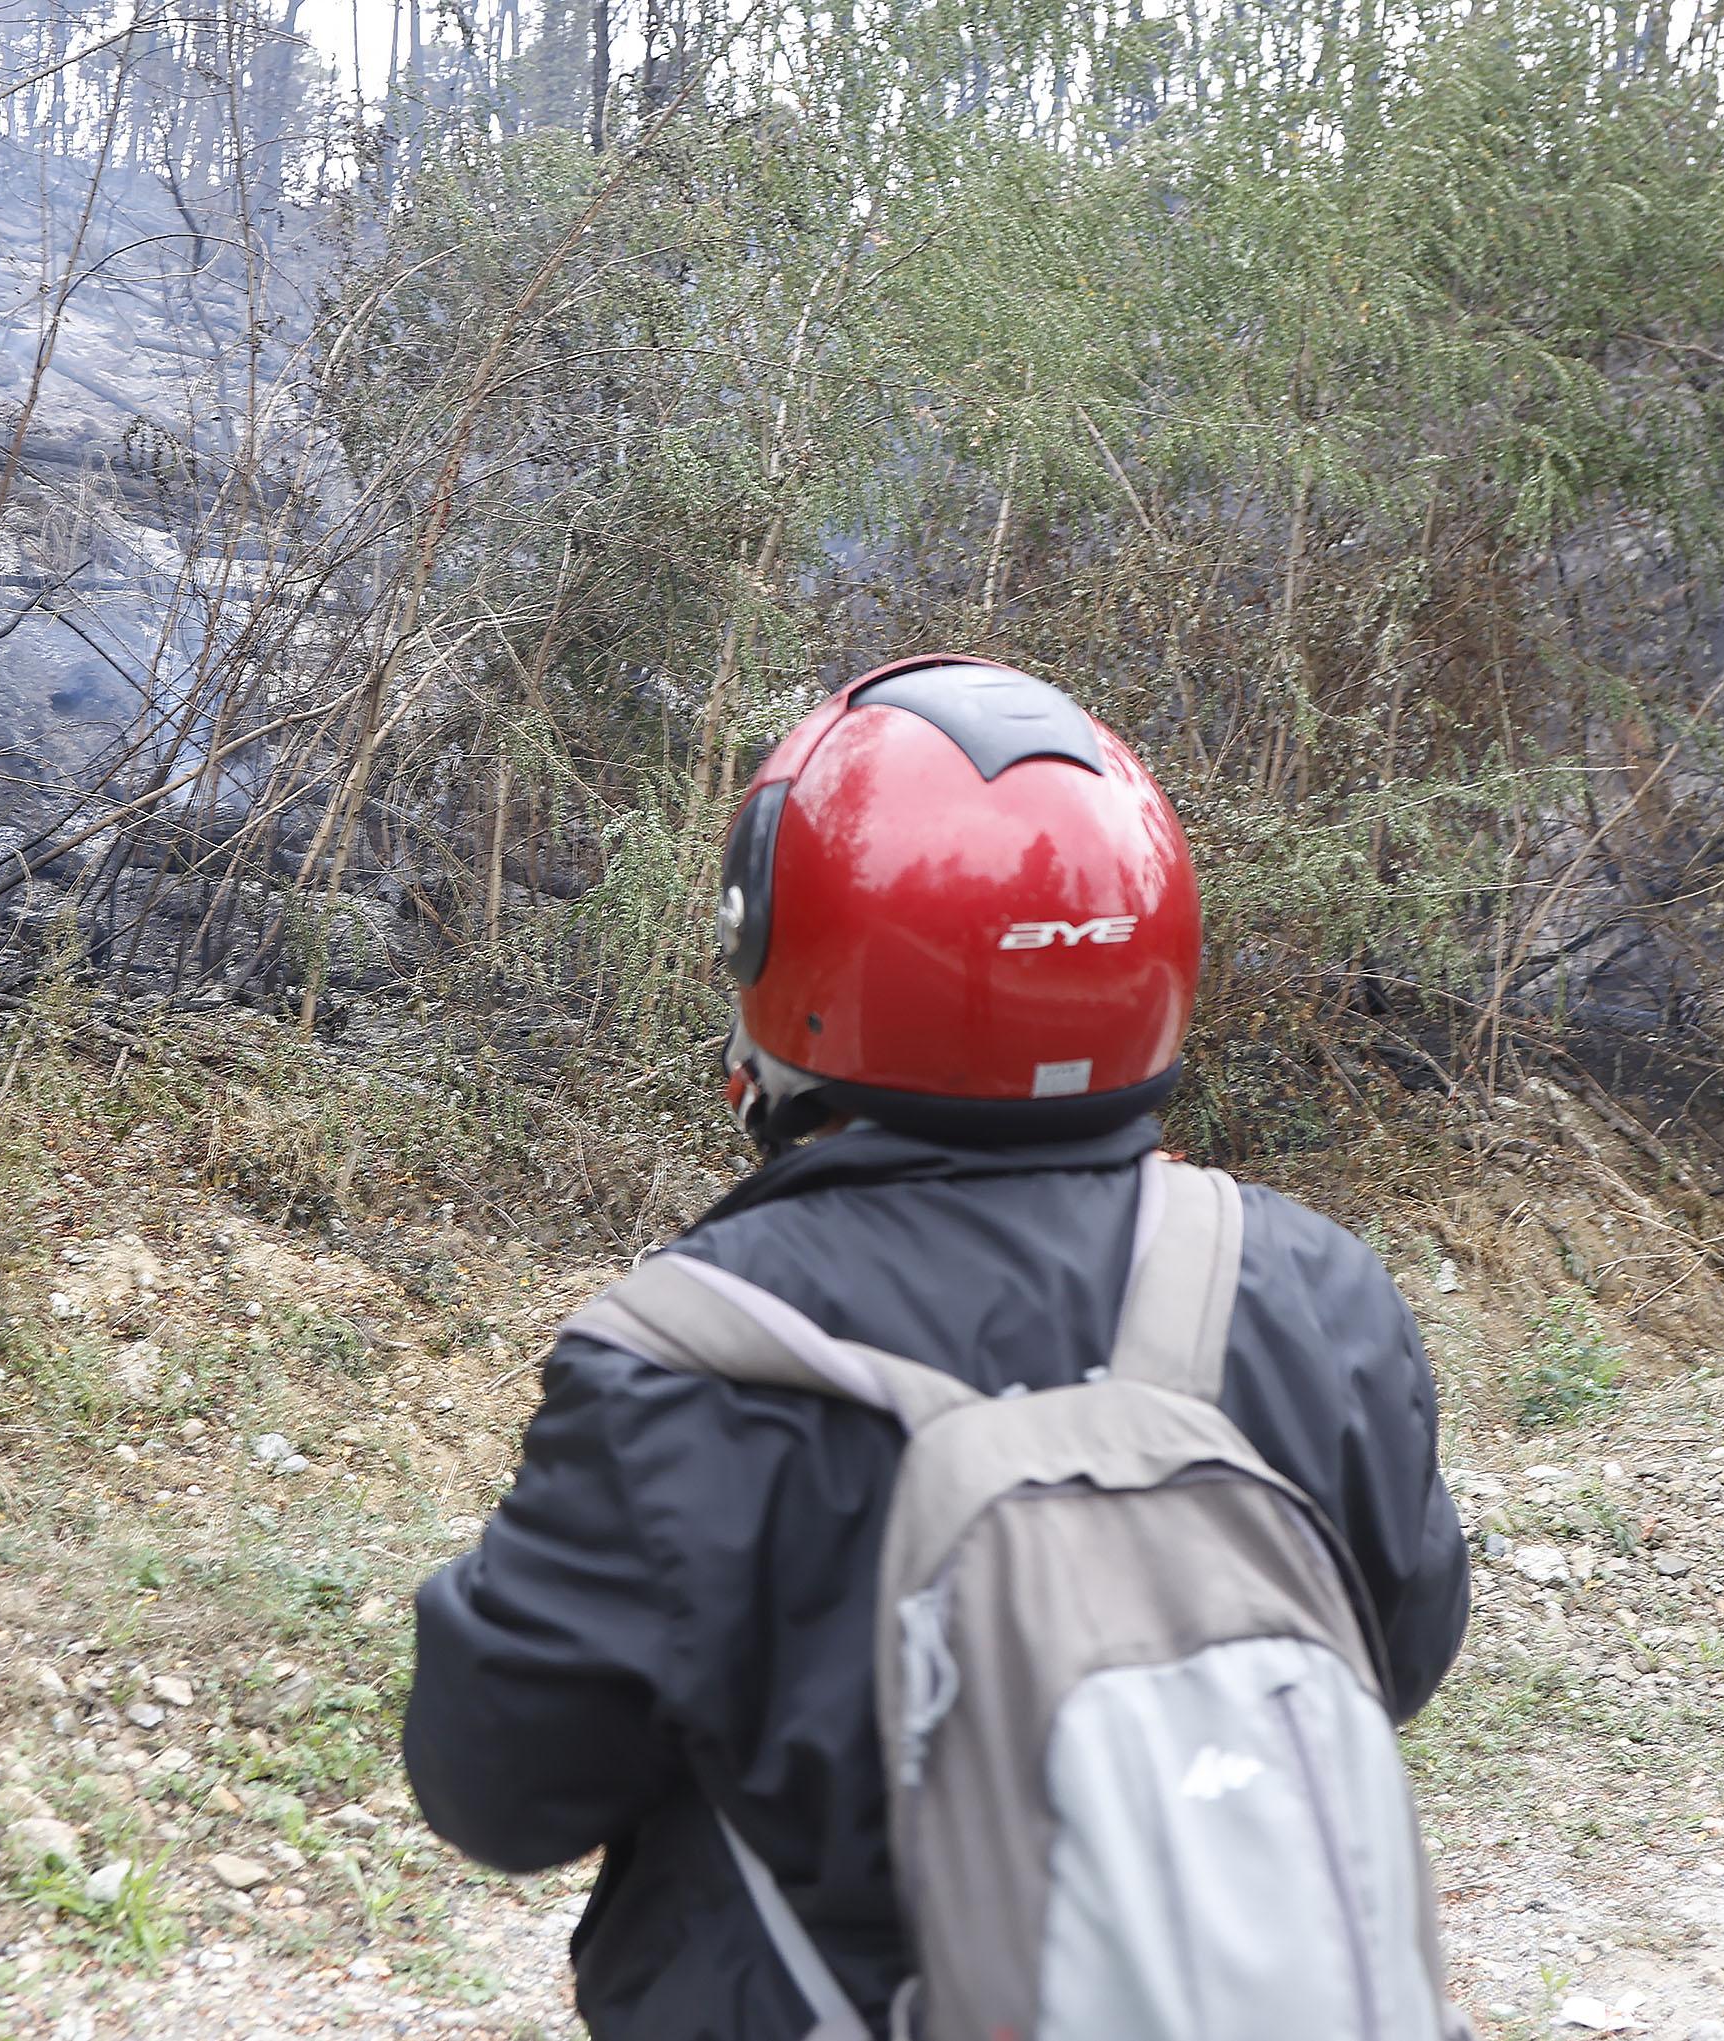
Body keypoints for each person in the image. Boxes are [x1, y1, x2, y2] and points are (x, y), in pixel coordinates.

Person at [403, 655, 1472, 2039]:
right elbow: (1402, 1649)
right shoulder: (1312, 1288)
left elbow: (498, 1788)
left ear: (786, 957)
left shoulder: (681, 1362)